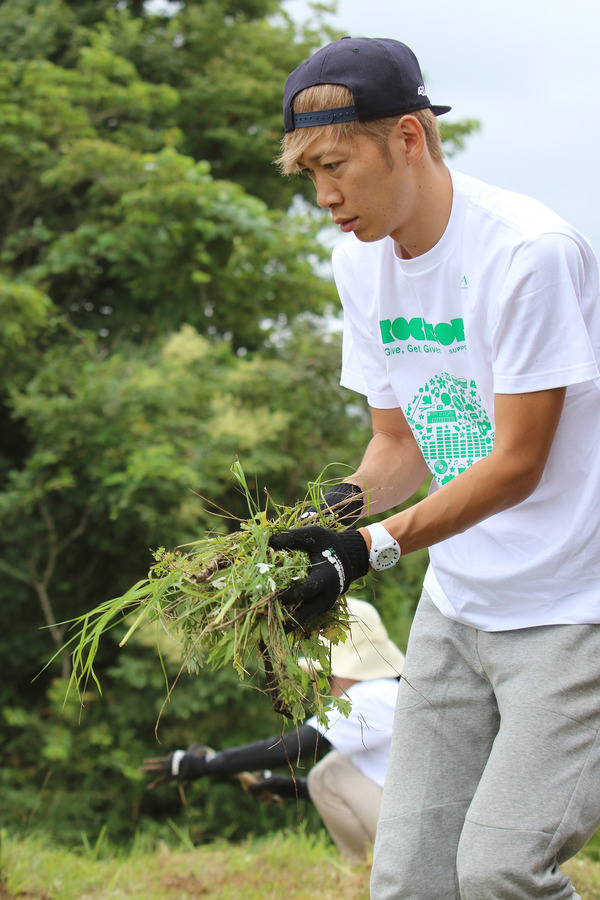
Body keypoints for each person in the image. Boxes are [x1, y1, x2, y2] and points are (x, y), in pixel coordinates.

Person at [267, 36, 600, 900]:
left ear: (409, 138)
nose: (325, 197)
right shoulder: (360, 261)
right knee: (409, 879)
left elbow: (518, 463)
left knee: (497, 875)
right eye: (309, 176)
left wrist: (371, 549)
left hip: (575, 610)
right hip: (460, 609)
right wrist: (335, 517)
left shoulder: (528, 254)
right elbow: (401, 445)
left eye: (336, 165)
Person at [141, 597, 405, 864]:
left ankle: (364, 869)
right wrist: (290, 787)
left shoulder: (372, 697)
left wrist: (208, 765)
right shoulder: (388, 694)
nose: (324, 685)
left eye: (329, 674)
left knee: (329, 773)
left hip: (410, 832)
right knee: (332, 768)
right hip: (407, 821)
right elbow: (364, 784)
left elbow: (292, 747)